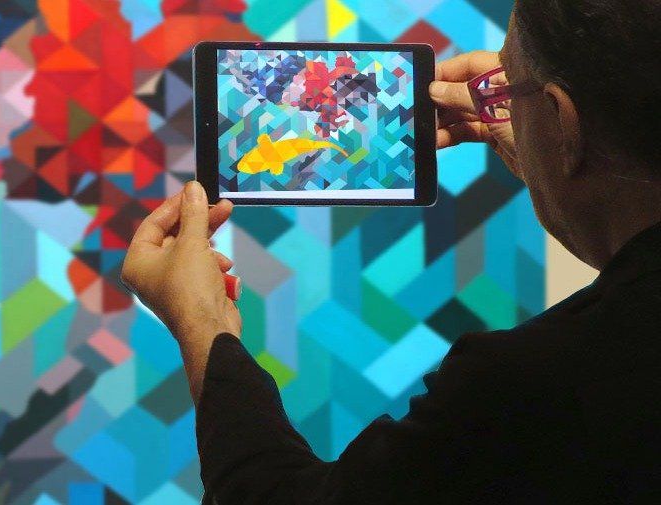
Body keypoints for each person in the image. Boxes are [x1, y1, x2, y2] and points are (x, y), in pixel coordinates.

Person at [121, 1, 661, 502]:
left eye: (508, 87)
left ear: (562, 121)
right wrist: (568, 171)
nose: (499, 102)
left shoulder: (528, 386)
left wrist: (204, 325)